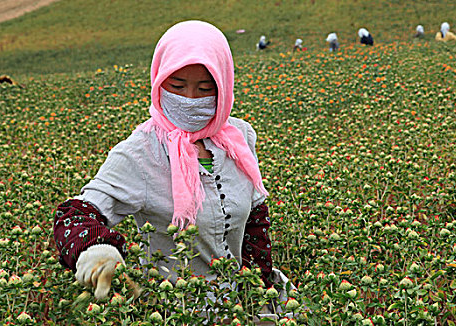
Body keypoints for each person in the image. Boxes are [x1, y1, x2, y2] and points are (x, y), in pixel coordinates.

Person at [53, 21, 293, 312]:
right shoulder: (140, 152)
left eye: (205, 88)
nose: (190, 100)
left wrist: (258, 288)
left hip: (243, 303)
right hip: (179, 308)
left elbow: (255, 220)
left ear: (224, 87)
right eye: (177, 86)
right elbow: (76, 215)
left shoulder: (238, 139)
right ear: (158, 81)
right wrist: (96, 252)